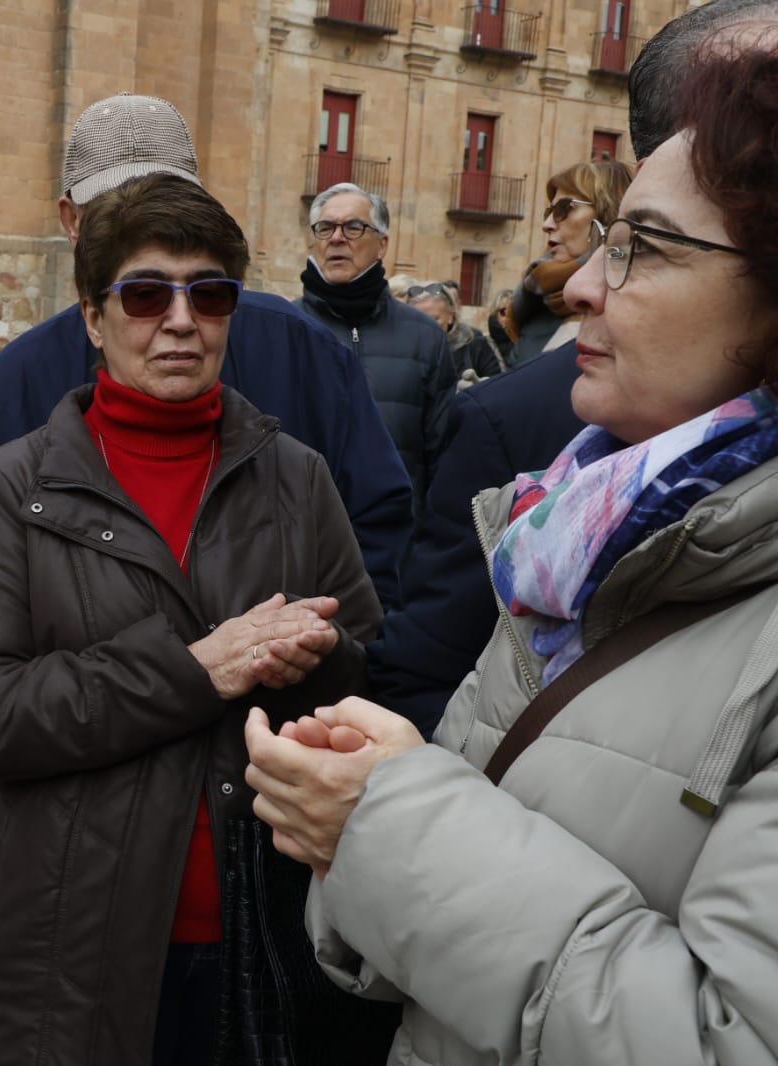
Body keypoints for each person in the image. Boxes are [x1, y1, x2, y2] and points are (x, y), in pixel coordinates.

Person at [245, 39, 778, 1064]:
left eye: (644, 247)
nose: (576, 285)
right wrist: (353, 828)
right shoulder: (568, 541)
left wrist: (388, 825)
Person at [0, 173, 396, 1066]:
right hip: (70, 932)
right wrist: (195, 670)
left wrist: (322, 655)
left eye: (210, 294)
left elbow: (362, 667)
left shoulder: (295, 476)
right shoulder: (15, 487)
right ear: (94, 318)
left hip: (267, 925)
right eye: (146, 294)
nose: (180, 320)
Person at [0, 92, 413, 609]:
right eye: (112, 210)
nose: (140, 224)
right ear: (71, 220)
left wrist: (326, 647)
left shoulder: (308, 353)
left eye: (161, 199)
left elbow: (376, 531)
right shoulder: (6, 389)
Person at [297, 183, 457, 515]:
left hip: (397, 546)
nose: (337, 238)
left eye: (353, 227)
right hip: (301, 542)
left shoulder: (425, 336)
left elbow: (443, 455)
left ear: (382, 244)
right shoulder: (284, 328)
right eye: (325, 227)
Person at [503, 159, 634, 365]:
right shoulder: (537, 301)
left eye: (564, 208)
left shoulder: (634, 305)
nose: (547, 225)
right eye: (550, 212)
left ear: (609, 213)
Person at [407, 281, 503, 385]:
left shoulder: (474, 345)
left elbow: (498, 386)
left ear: (451, 316)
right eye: (417, 319)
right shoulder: (398, 349)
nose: (425, 326)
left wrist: (477, 390)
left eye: (434, 319)